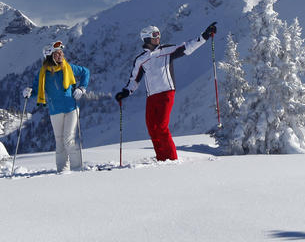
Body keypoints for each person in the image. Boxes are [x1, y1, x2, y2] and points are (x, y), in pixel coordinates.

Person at [115, 22, 217, 161]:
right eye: (155, 35)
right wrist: (126, 92)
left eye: (158, 34)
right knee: (152, 128)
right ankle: (161, 159)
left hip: (166, 93)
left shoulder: (166, 50)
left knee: (162, 127)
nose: (158, 37)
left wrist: (204, 36)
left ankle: (172, 159)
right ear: (146, 38)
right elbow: (134, 80)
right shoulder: (141, 60)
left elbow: (187, 47)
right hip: (151, 97)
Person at [24, 41, 90, 173]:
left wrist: (82, 88)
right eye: (57, 53)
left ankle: (77, 168)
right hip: (55, 110)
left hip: (71, 108)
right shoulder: (43, 74)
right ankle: (62, 170)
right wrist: (29, 92)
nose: (61, 55)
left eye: (61, 52)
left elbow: (85, 72)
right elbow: (37, 91)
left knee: (68, 140)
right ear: (49, 56)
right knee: (59, 142)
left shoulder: (68, 67)